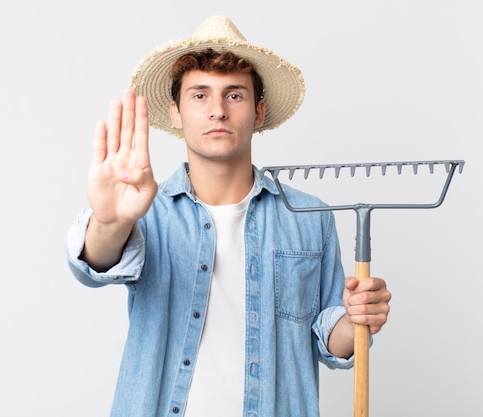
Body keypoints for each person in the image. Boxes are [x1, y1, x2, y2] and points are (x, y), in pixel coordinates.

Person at [64, 15, 391, 417]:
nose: (217, 110)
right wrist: (111, 222)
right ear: (177, 113)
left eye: (234, 95)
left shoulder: (309, 215)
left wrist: (358, 321)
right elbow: (94, 263)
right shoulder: (146, 213)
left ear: (258, 112)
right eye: (199, 95)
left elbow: (331, 339)